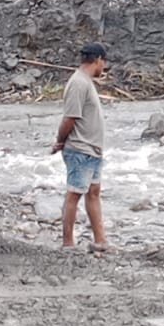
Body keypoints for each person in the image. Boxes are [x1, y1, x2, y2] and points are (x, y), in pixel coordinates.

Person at [52, 42, 109, 252]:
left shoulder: (85, 82)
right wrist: (59, 141)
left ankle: (100, 240)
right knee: (74, 193)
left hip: (92, 149)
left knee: (93, 192)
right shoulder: (79, 83)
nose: (104, 67)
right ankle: (67, 243)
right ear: (98, 59)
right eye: (104, 62)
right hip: (80, 148)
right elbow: (69, 118)